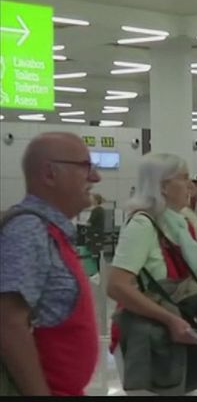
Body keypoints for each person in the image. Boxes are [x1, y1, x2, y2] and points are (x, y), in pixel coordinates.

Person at [106, 153, 197, 389]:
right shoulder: (142, 225)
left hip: (182, 331)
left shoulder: (185, 221)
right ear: (163, 186)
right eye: (184, 178)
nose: (191, 186)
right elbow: (117, 286)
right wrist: (168, 319)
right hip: (147, 337)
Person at [0, 132, 102, 396]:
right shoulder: (29, 230)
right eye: (85, 166)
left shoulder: (51, 232)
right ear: (49, 174)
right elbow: (8, 322)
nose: (95, 177)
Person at [87, 193, 106, 258]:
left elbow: (90, 222)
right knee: (98, 252)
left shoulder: (95, 210)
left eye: (92, 199)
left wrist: (87, 224)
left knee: (94, 253)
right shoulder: (102, 210)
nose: (91, 201)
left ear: (96, 201)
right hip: (99, 233)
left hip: (94, 234)